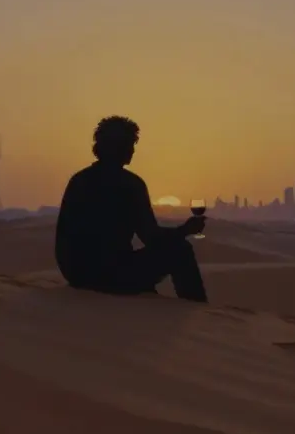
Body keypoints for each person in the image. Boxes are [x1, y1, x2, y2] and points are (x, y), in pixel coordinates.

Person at [55, 116, 208, 302]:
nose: (133, 150)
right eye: (129, 144)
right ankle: (197, 310)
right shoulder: (130, 184)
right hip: (113, 276)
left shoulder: (79, 180)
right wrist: (185, 230)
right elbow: (151, 237)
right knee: (180, 250)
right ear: (119, 148)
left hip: (79, 275)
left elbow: (63, 243)